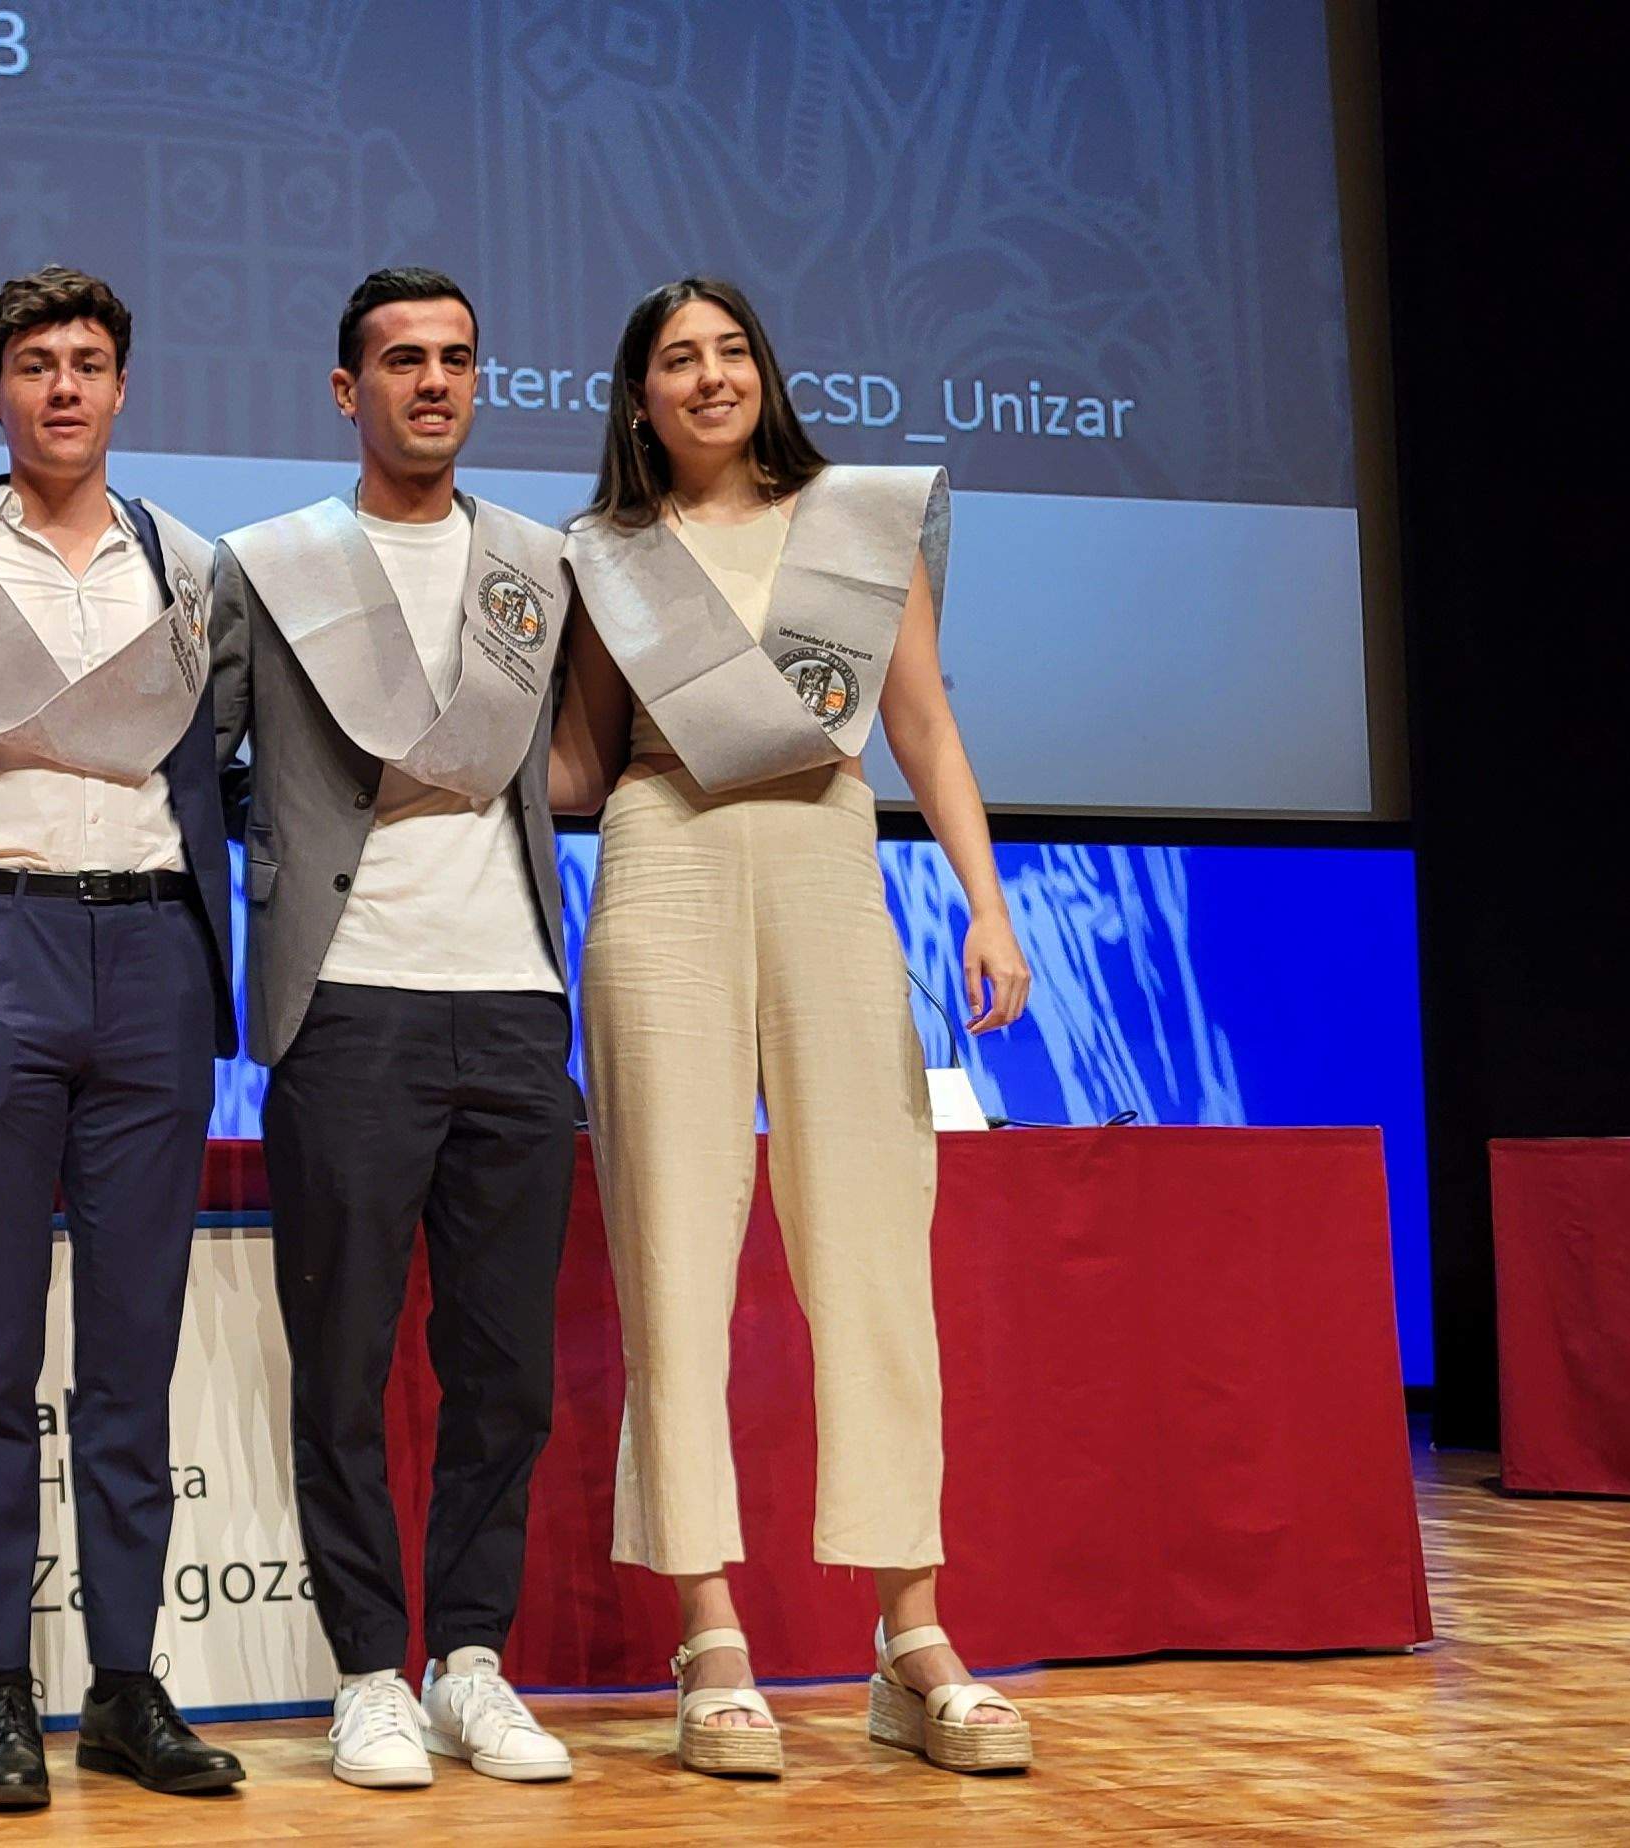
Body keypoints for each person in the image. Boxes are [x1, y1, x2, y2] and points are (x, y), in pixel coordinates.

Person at [547, 275, 1035, 1778]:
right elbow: (577, 764)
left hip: (828, 856)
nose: (710, 376)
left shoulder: (858, 524)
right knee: (675, 1254)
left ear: (763, 370)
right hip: (663, 861)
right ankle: (710, 1637)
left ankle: (913, 1635)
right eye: (677, 360)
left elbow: (924, 723)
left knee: (871, 1246)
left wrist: (987, 904)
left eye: (731, 351)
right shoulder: (602, 554)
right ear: (639, 398)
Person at [0, 266, 242, 1811]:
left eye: (87, 363)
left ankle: (126, 1686)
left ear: (122, 388)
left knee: (134, 1356)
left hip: (153, 954)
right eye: (34, 363)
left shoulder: (189, 566)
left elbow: (218, 764)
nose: (63, 387)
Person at [208, 266, 583, 1790]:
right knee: (346, 1361)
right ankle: (368, 1669)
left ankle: (471, 1661)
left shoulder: (538, 566)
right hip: (349, 998)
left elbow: (569, 760)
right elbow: (205, 759)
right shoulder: (272, 566)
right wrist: (293, 833)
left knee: (505, 1370)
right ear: (345, 390)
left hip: (516, 1001)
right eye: (403, 360)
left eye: (457, 359)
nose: (434, 382)